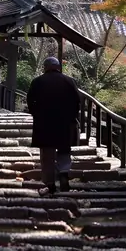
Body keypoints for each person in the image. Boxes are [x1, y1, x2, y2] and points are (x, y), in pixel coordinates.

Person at [27, 56, 81, 194]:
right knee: (64, 150)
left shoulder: (38, 82)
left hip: (44, 123)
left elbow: (30, 101)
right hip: (64, 122)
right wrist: (72, 117)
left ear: (45, 67)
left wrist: (36, 115)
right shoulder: (69, 81)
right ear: (58, 67)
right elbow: (77, 101)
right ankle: (63, 172)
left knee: (47, 154)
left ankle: (50, 183)